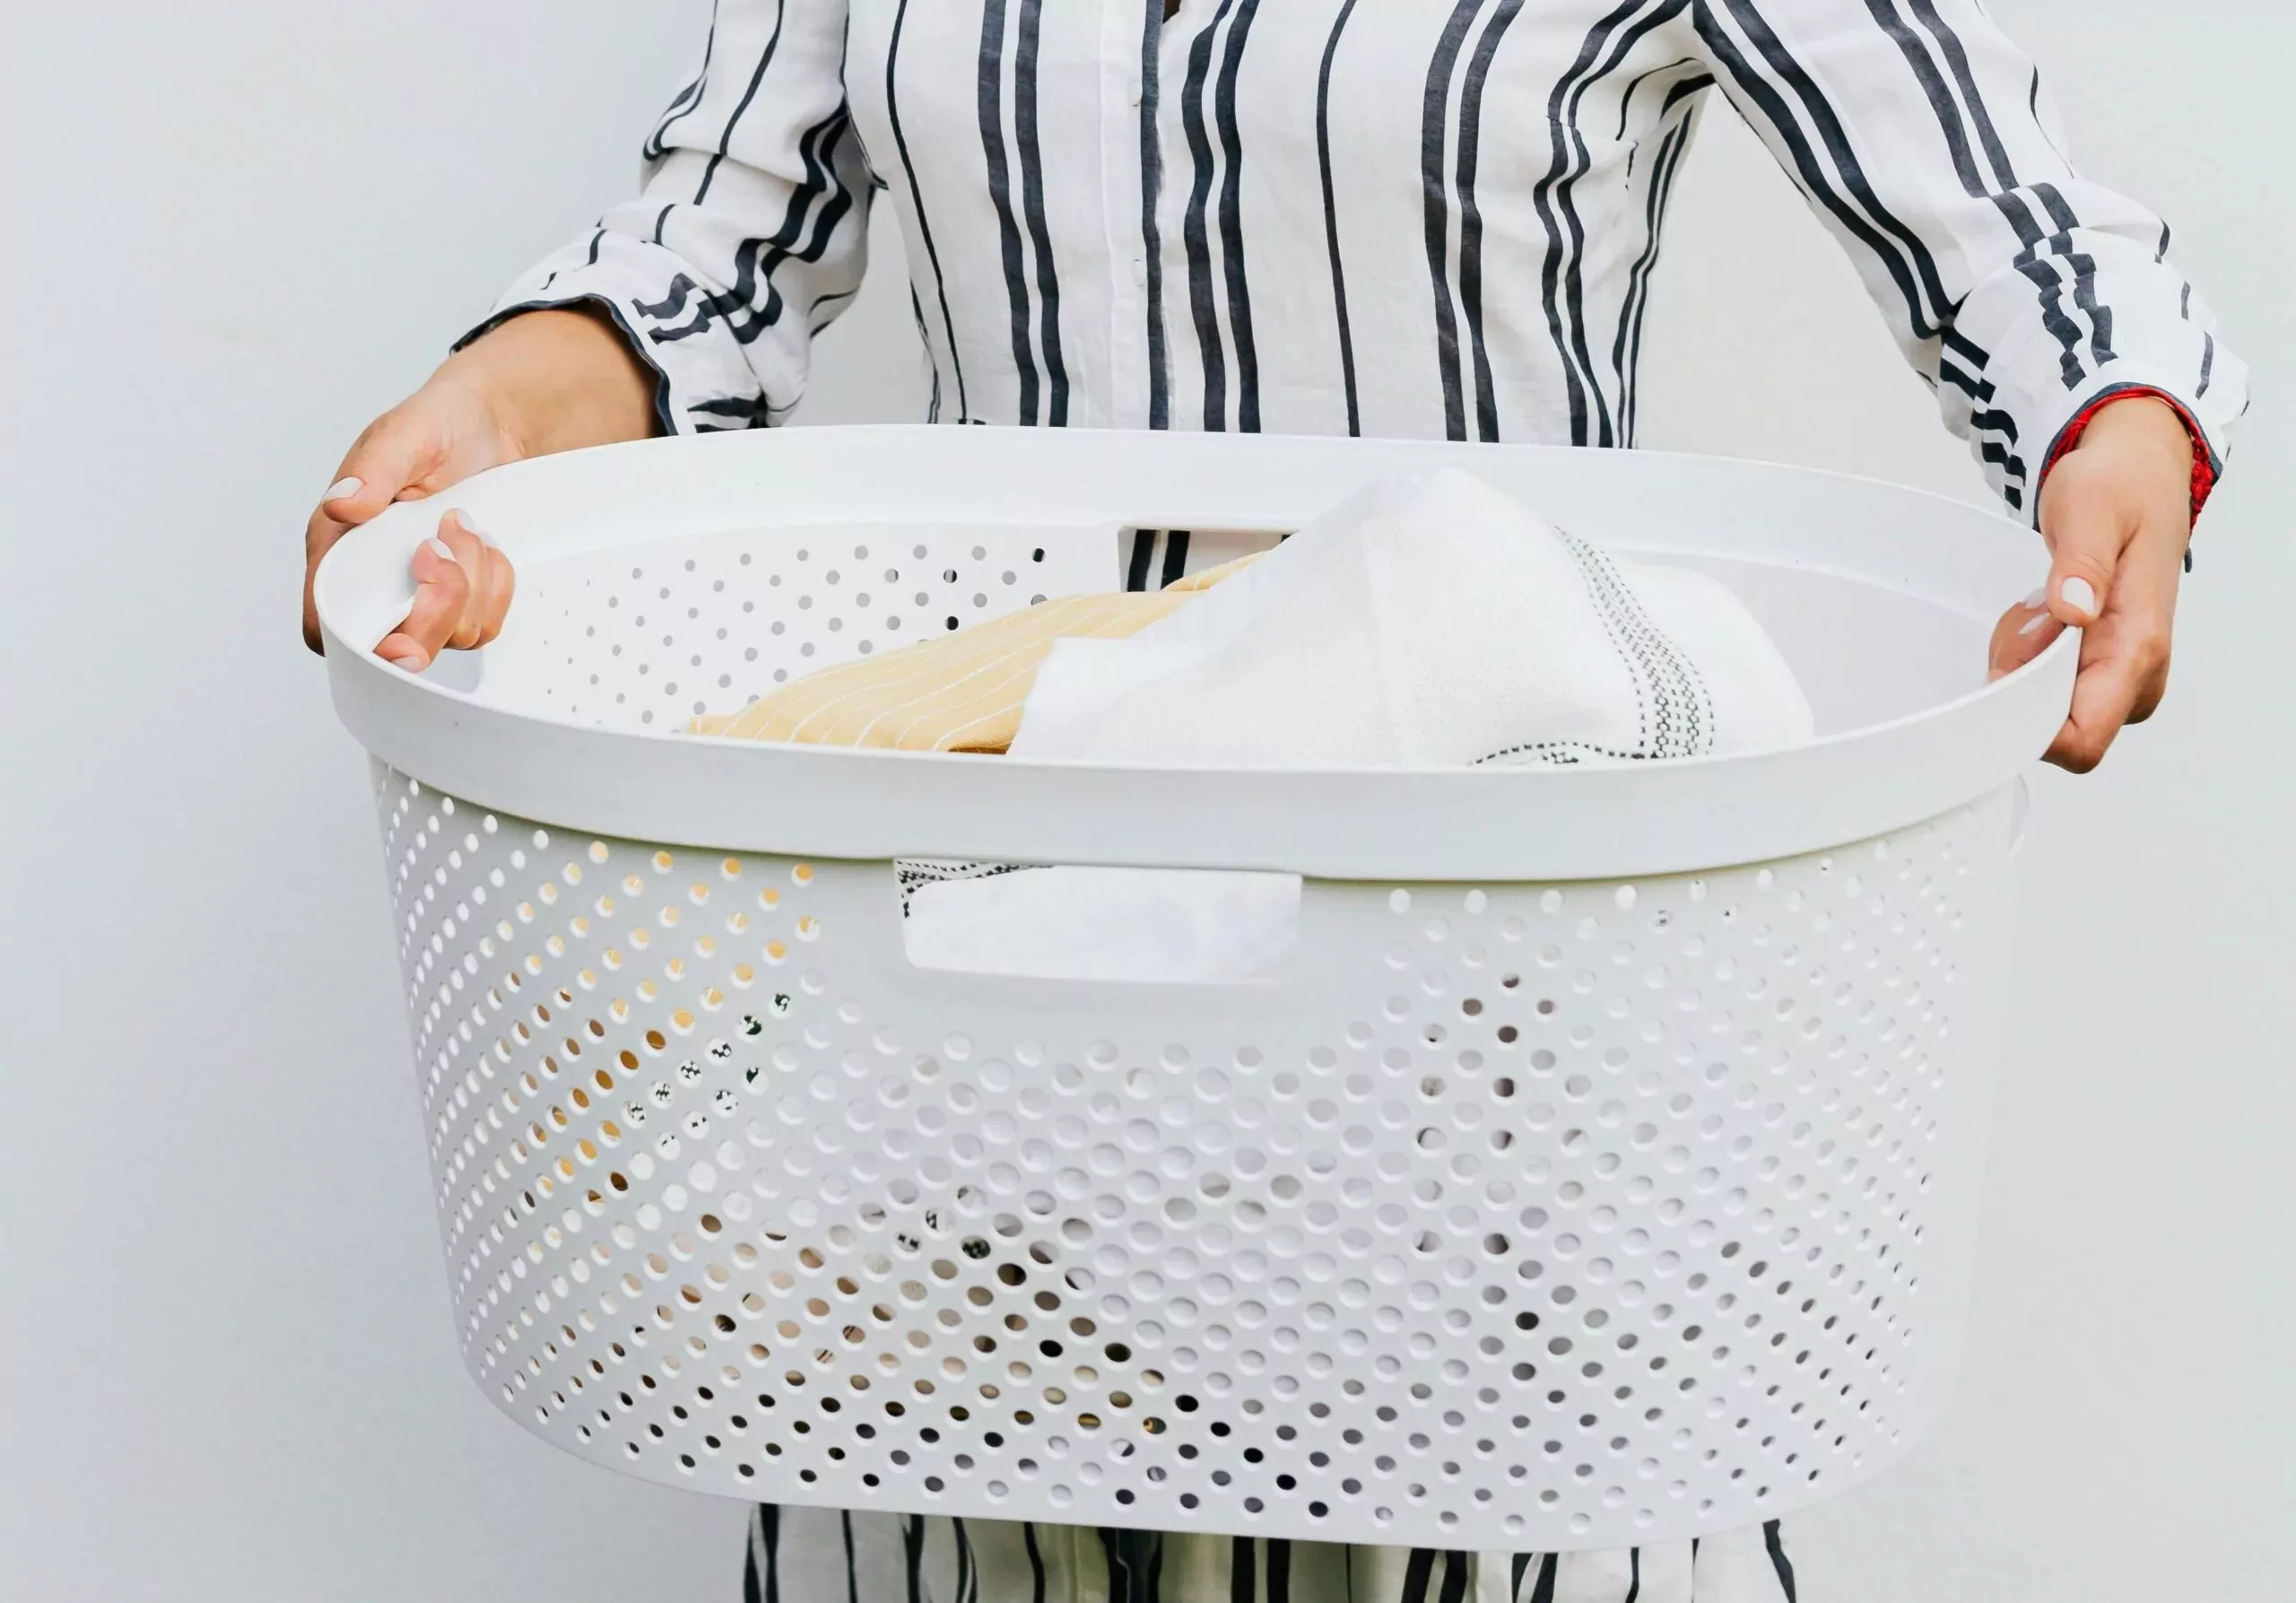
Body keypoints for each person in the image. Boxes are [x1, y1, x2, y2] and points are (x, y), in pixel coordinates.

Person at [300, 3, 2244, 1596]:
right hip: (995, 945)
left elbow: (2005, 225)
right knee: (987, 1518)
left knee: (1472, 1519)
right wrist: (503, 405)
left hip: (1473, 984)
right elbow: (703, 256)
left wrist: (2113, 434)